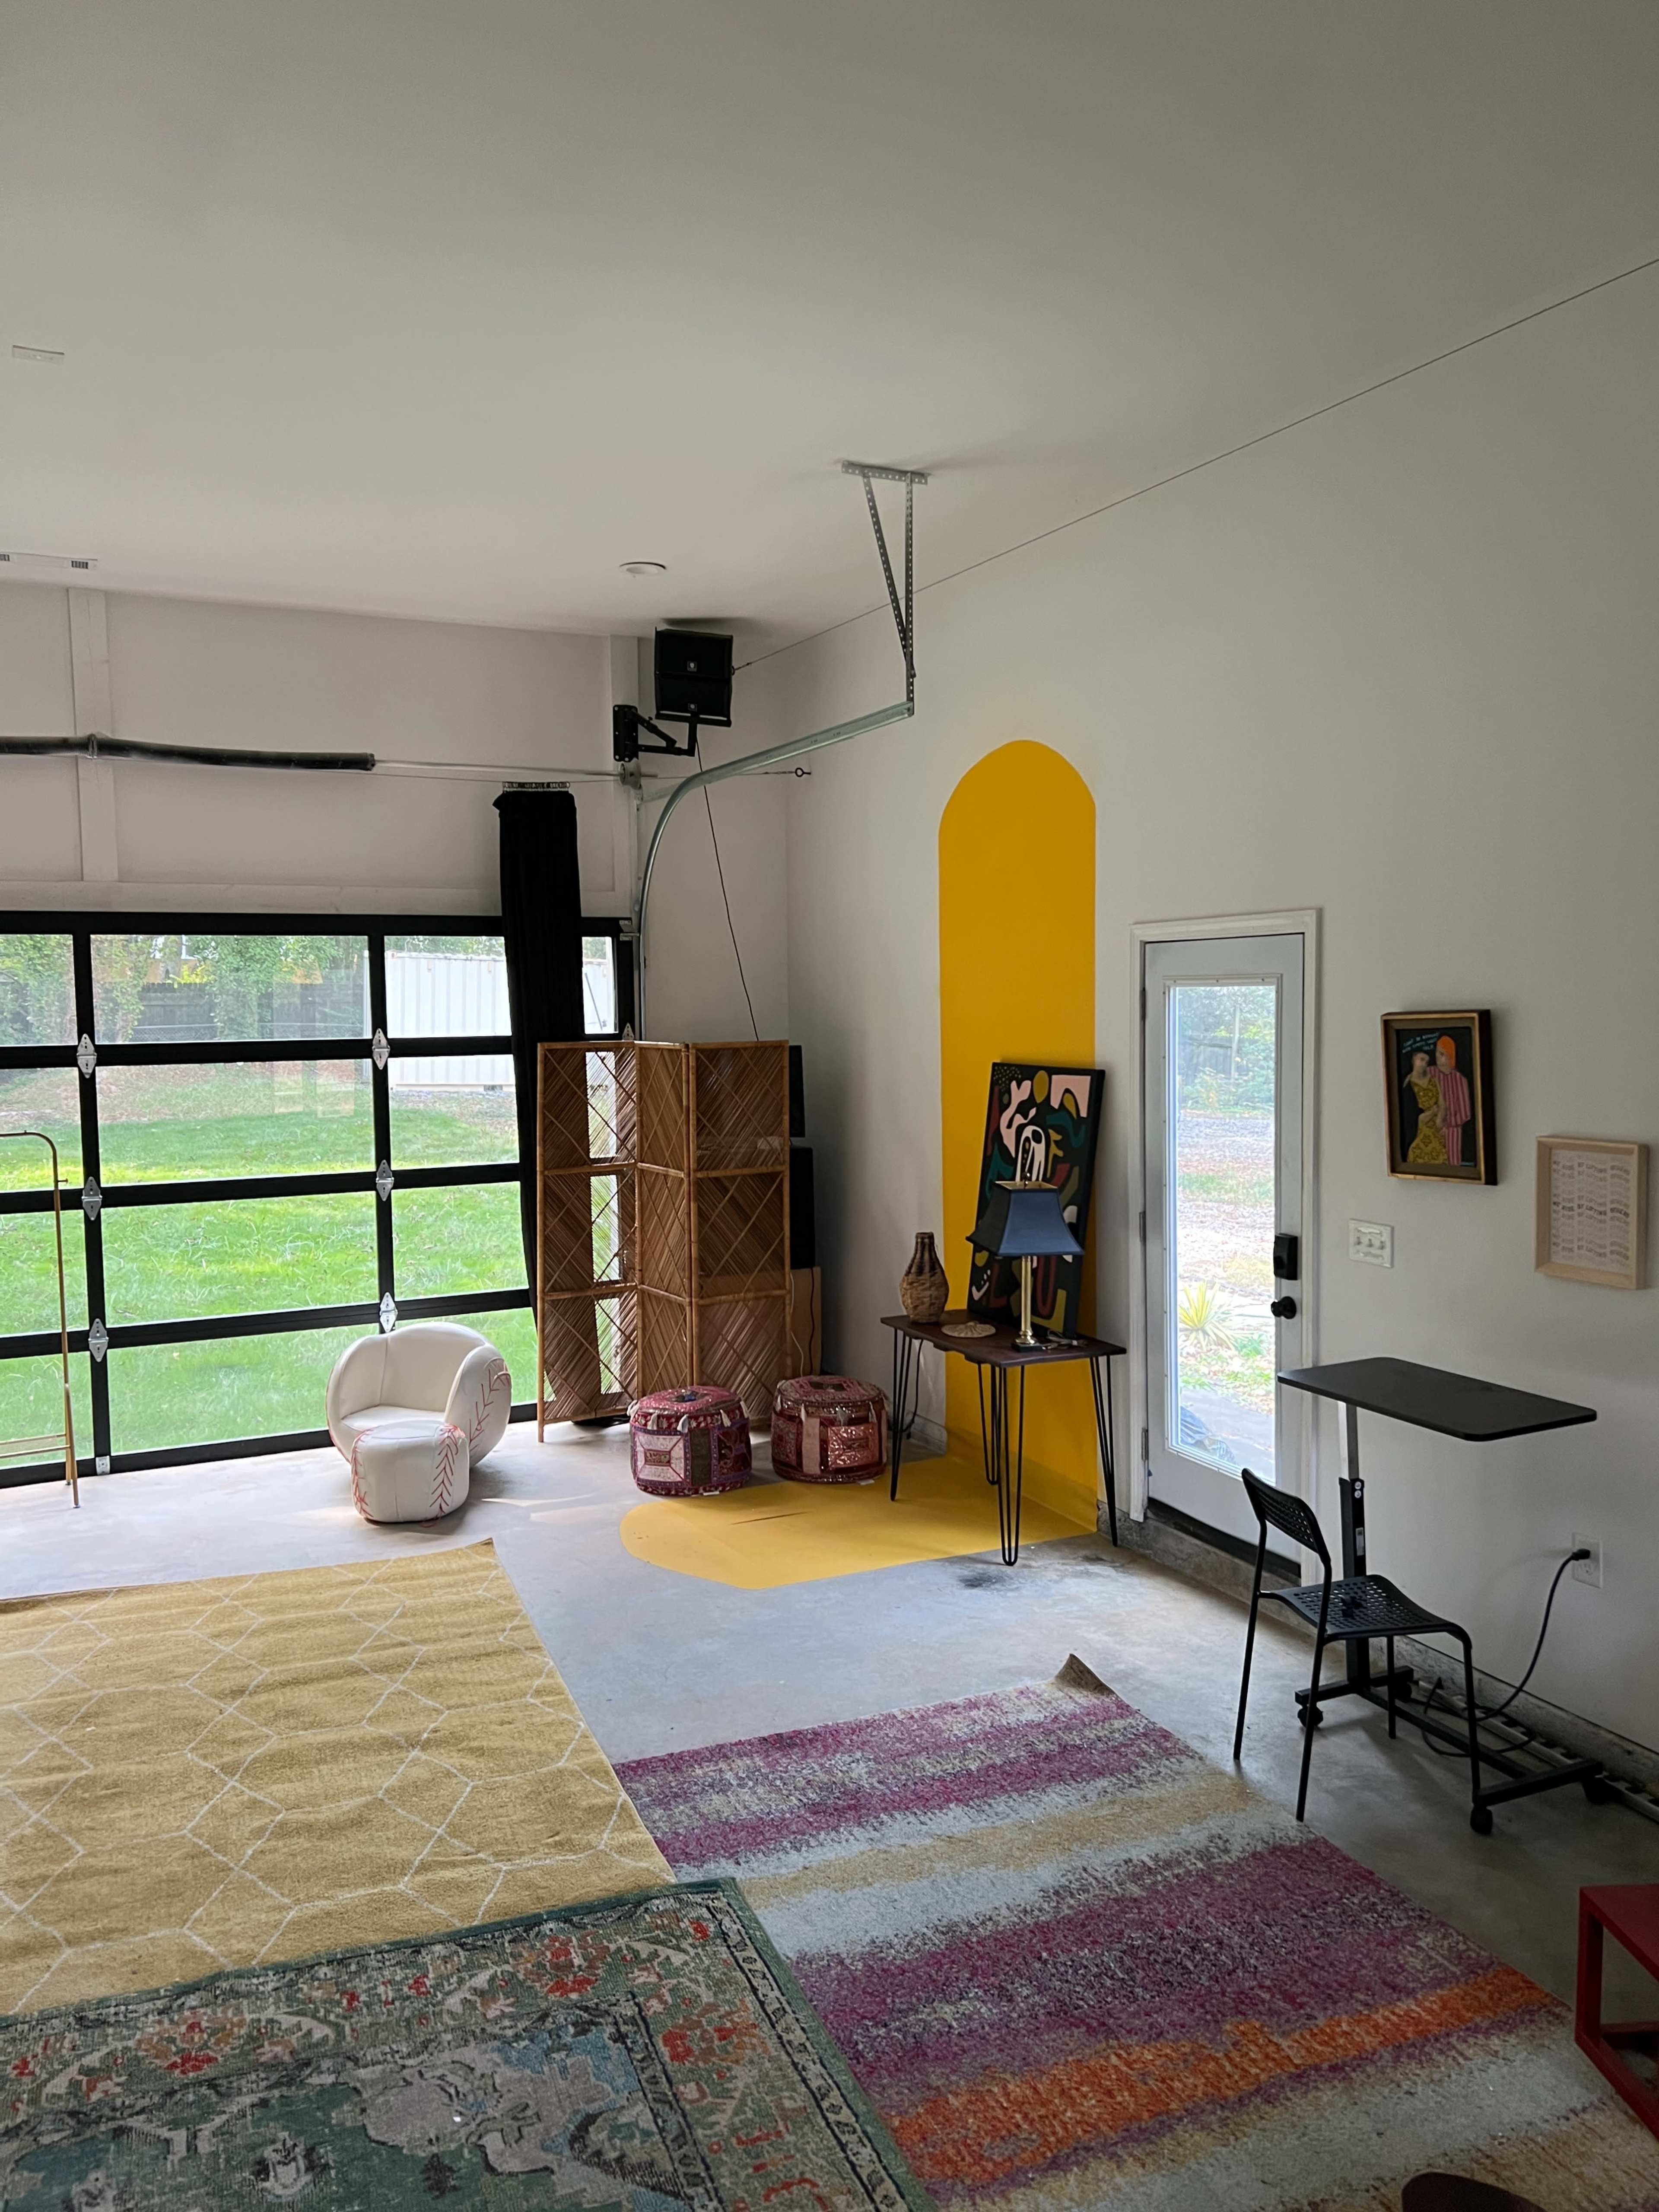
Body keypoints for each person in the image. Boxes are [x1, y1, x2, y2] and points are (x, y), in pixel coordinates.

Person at [1403, 1046, 1446, 1167]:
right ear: (1413, 1060)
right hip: (1419, 1129)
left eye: (1426, 1062)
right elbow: (1411, 1115)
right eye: (1421, 1060)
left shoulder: (1434, 1081)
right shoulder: (1408, 1084)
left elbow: (1442, 1103)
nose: (1424, 1064)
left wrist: (1439, 1119)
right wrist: (1432, 1113)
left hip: (1436, 1126)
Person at [1434, 1033, 1472, 1167]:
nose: (1438, 1057)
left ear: (1450, 1055)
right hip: (1432, 1127)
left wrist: (1448, 1126)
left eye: (1442, 1054)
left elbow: (1465, 1113)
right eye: (1437, 1053)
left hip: (1453, 1130)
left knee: (1452, 1163)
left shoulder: (1460, 1080)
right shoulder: (1431, 1074)